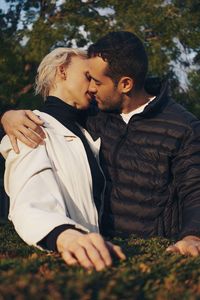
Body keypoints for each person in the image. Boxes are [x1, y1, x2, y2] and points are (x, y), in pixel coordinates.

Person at [2, 31, 200, 256]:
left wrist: (193, 236)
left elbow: (194, 189)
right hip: (97, 250)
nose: (91, 88)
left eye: (95, 80)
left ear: (125, 84)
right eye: (87, 77)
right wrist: (7, 117)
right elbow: (30, 193)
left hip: (156, 254)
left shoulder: (183, 126)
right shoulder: (90, 116)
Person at [0, 47, 125, 271]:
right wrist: (64, 235)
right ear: (62, 71)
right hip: (63, 263)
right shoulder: (30, 127)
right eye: (88, 76)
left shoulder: (91, 128)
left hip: (98, 260)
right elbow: (29, 200)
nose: (94, 86)